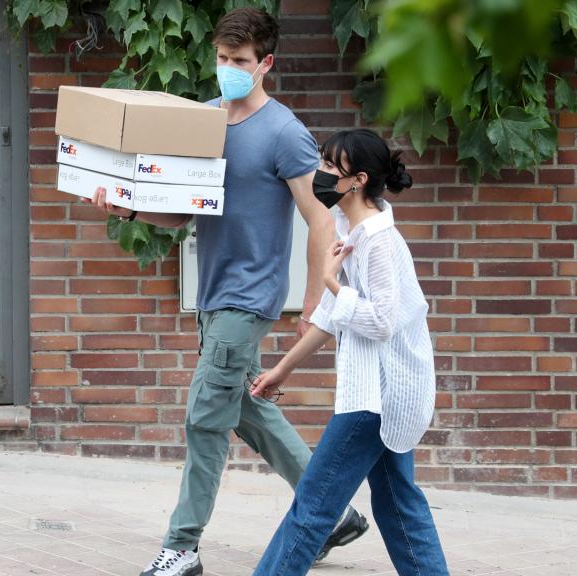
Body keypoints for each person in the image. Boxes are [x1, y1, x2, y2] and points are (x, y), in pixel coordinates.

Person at [85, 9, 369, 576]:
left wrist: (317, 297)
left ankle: (182, 547)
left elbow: (320, 220)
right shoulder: (207, 121)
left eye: (239, 61)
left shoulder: (285, 133)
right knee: (242, 406)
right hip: (215, 291)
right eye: (221, 59)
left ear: (266, 64)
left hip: (249, 295)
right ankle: (333, 513)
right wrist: (130, 206)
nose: (228, 70)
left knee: (204, 418)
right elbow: (182, 211)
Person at [249, 128, 450, 576]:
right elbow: (331, 316)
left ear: (357, 179)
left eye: (327, 166)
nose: (318, 173)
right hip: (380, 392)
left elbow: (380, 321)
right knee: (400, 508)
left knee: (314, 507)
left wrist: (331, 281)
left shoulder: (379, 242)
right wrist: (283, 369)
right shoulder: (348, 226)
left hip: (376, 397)